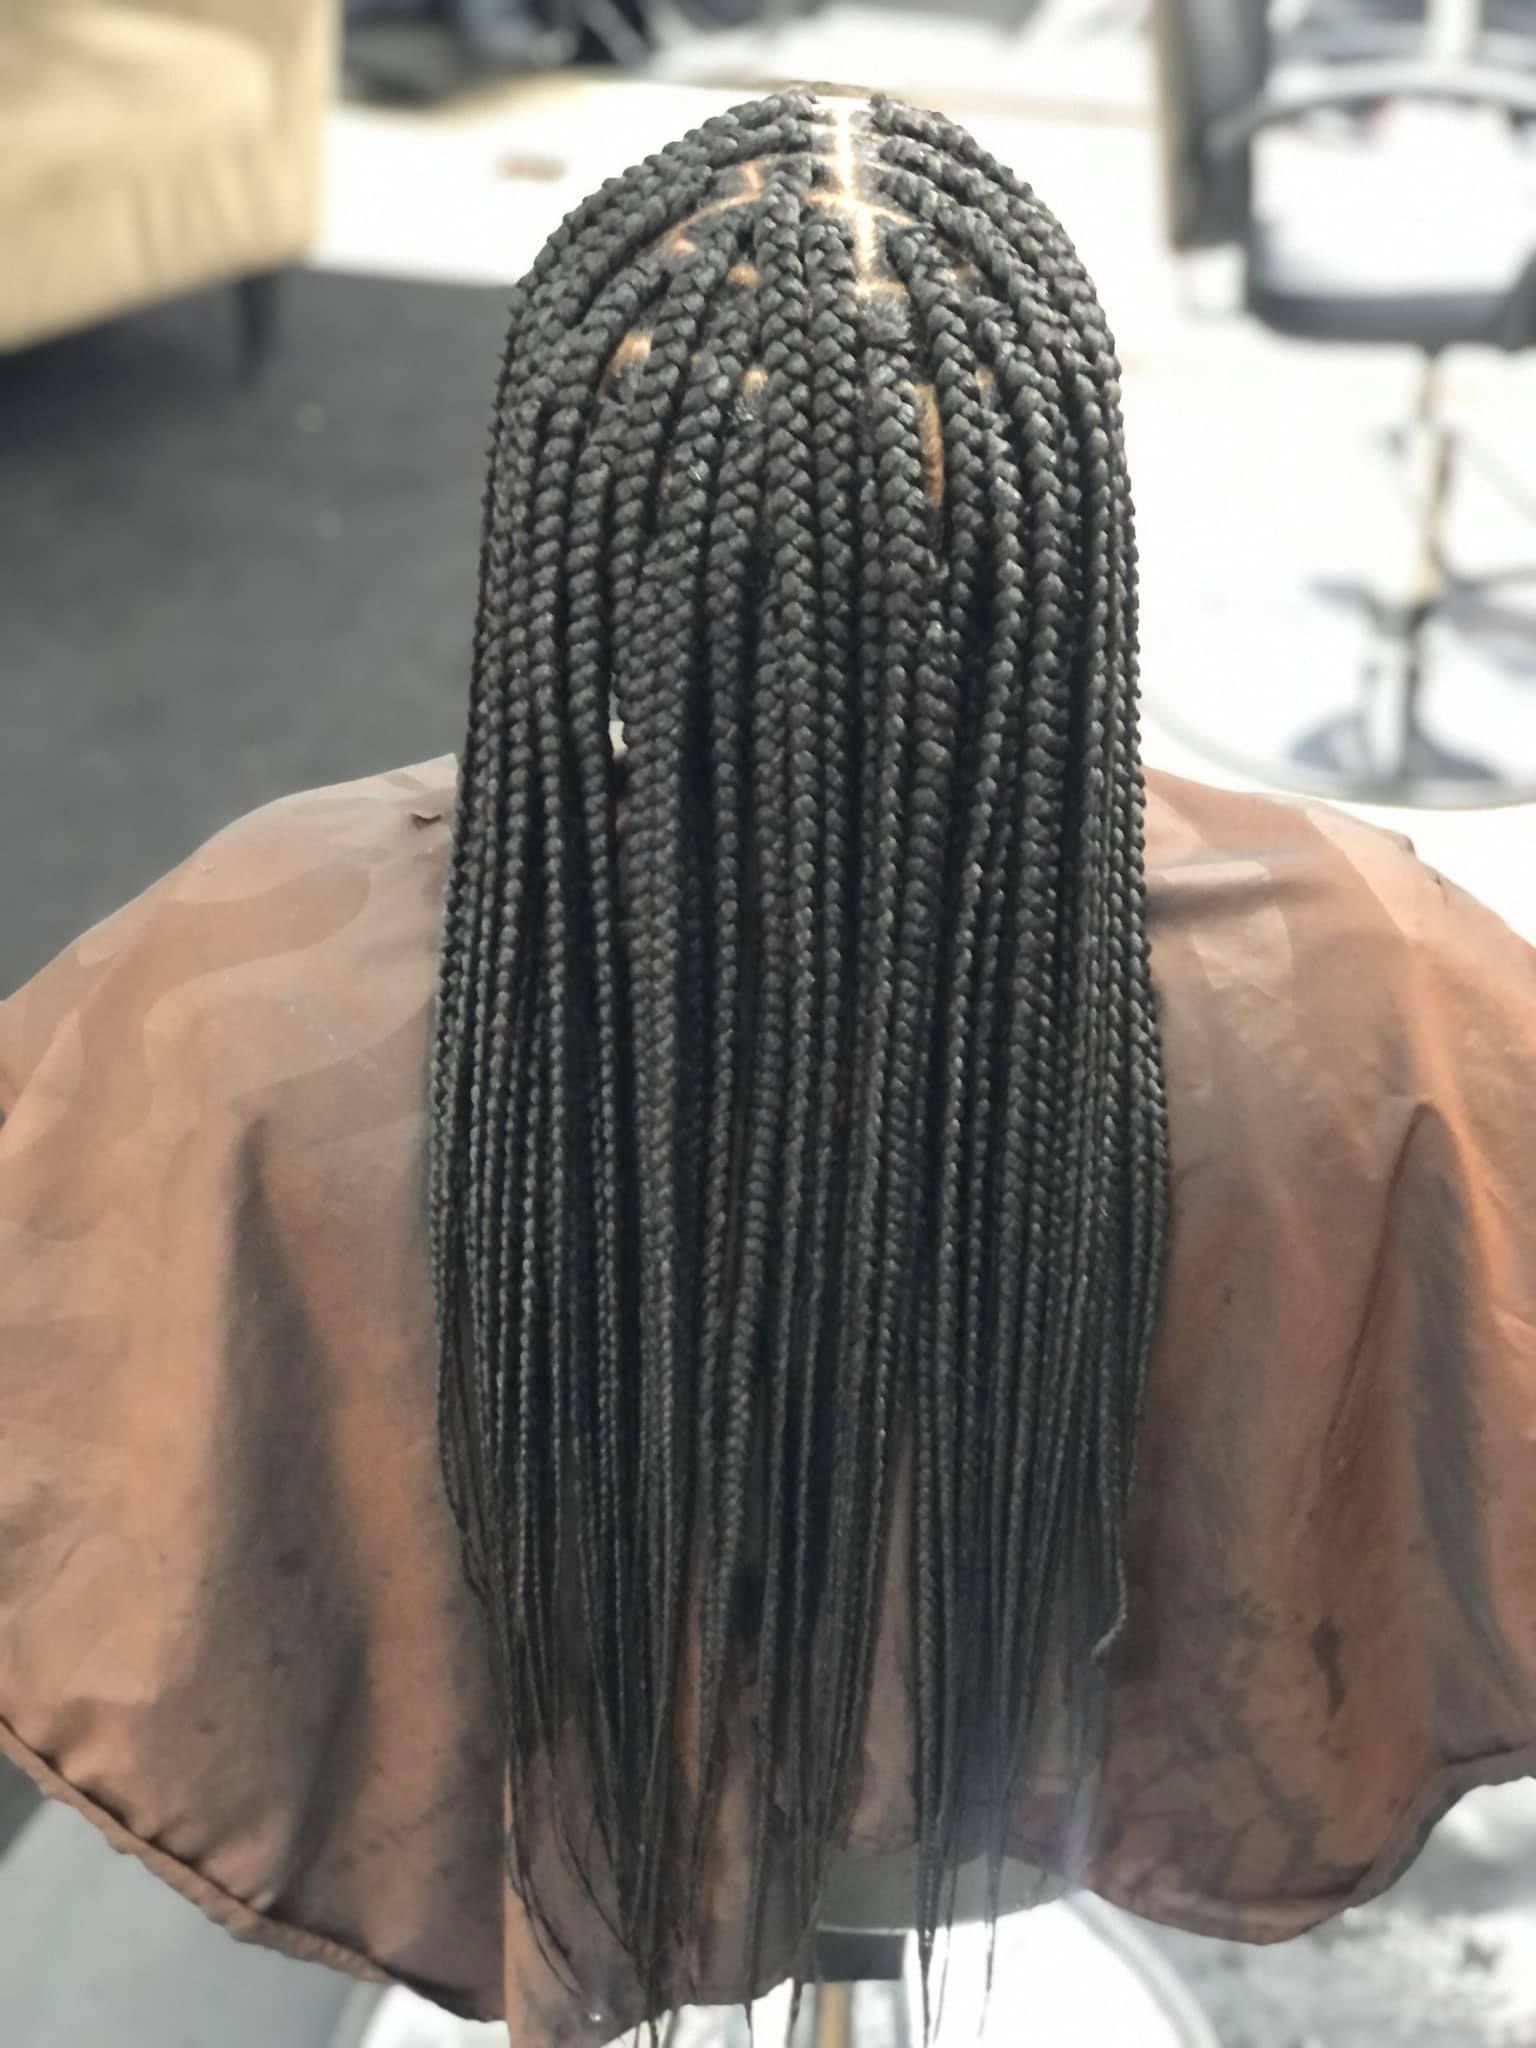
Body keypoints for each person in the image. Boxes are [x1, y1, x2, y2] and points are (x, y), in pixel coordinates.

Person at [1, 90, 1533, 2047]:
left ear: (581, 539)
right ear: (1059, 528)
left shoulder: (242, 991)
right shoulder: (1377, 984)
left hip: (573, 1810)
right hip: (1014, 1794)